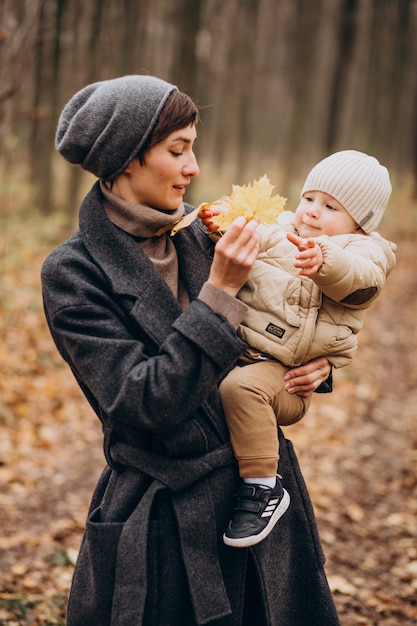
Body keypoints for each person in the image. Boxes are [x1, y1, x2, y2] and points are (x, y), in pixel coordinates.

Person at [41, 75, 340, 626]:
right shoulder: (73, 273)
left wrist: (310, 366)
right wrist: (219, 293)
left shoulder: (207, 231)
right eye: (178, 150)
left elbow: (297, 311)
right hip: (166, 528)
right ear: (127, 158)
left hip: (263, 501)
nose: (194, 168)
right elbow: (143, 403)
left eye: (194, 148)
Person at [201, 150, 396, 549]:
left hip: (285, 378)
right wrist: (221, 223)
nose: (311, 212)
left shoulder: (364, 253)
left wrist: (326, 259)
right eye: (309, 198)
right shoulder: (282, 229)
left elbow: (360, 281)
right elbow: (250, 237)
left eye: (330, 207)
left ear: (360, 223)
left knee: (238, 390)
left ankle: (262, 488)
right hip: (248, 351)